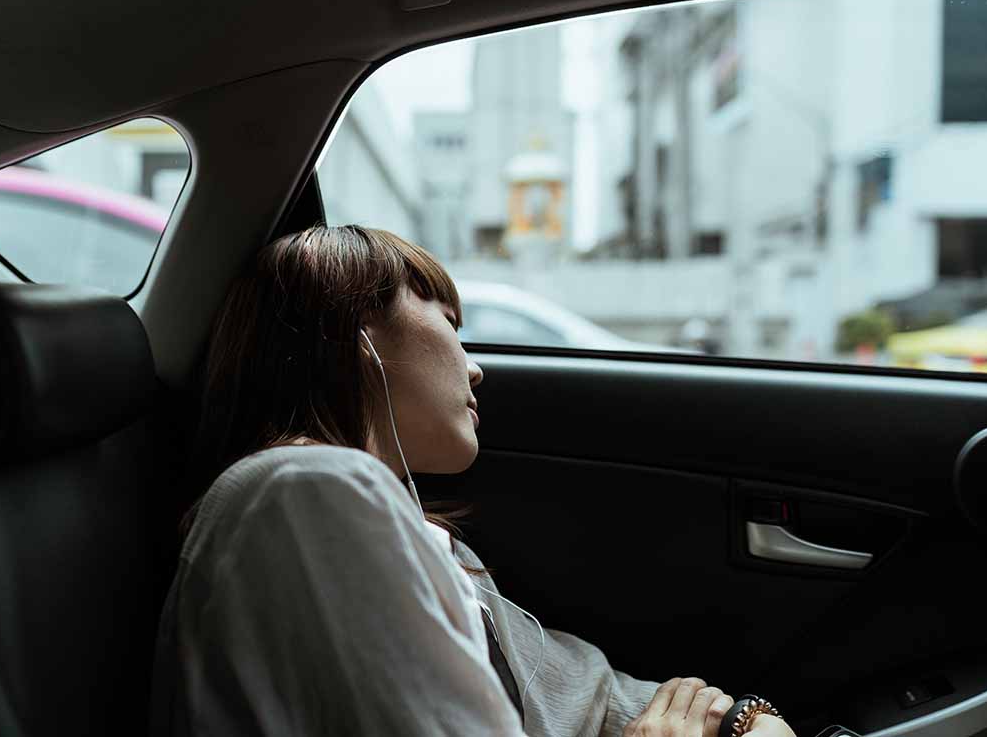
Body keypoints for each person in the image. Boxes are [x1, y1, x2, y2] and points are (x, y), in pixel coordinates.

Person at [151, 225, 795, 737]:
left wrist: (742, 719)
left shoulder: (428, 539)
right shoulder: (299, 493)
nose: (477, 369)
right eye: (453, 326)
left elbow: (588, 694)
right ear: (355, 333)